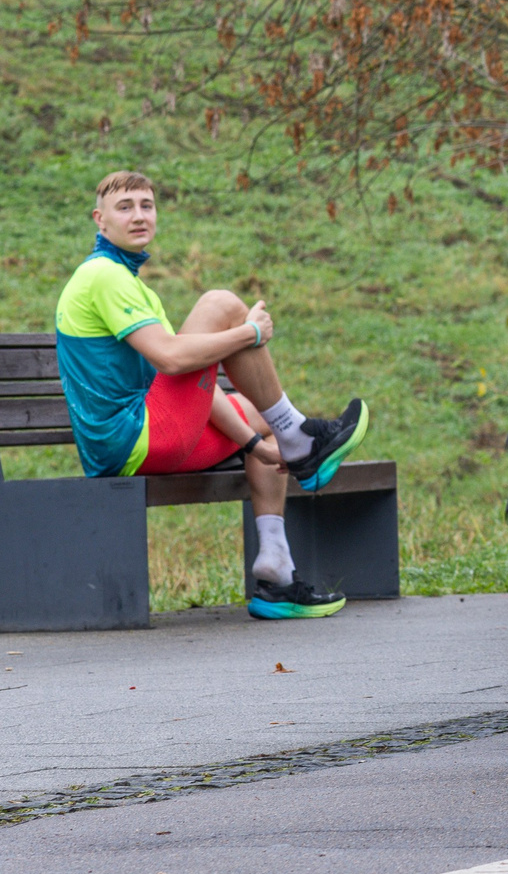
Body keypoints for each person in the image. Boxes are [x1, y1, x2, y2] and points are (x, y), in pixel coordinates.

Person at [54, 171, 370, 620]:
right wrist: (248, 332)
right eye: (125, 207)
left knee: (260, 418)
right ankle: (297, 436)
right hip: (131, 440)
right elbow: (173, 360)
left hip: (142, 436)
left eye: (147, 204)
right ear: (99, 220)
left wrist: (256, 447)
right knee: (222, 304)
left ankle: (276, 569)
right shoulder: (103, 277)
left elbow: (187, 382)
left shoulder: (134, 286)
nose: (139, 215)